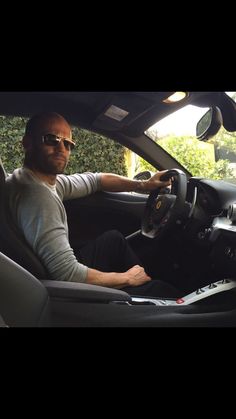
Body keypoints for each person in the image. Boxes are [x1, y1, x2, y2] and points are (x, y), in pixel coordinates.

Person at [6, 112, 180, 298]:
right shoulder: (37, 195)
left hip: (49, 270)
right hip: (59, 289)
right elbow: (66, 274)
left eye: (68, 144)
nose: (61, 148)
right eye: (51, 139)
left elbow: (96, 180)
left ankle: (144, 289)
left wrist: (144, 185)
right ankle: (150, 297)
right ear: (27, 143)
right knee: (161, 290)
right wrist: (128, 278)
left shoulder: (37, 179)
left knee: (113, 240)